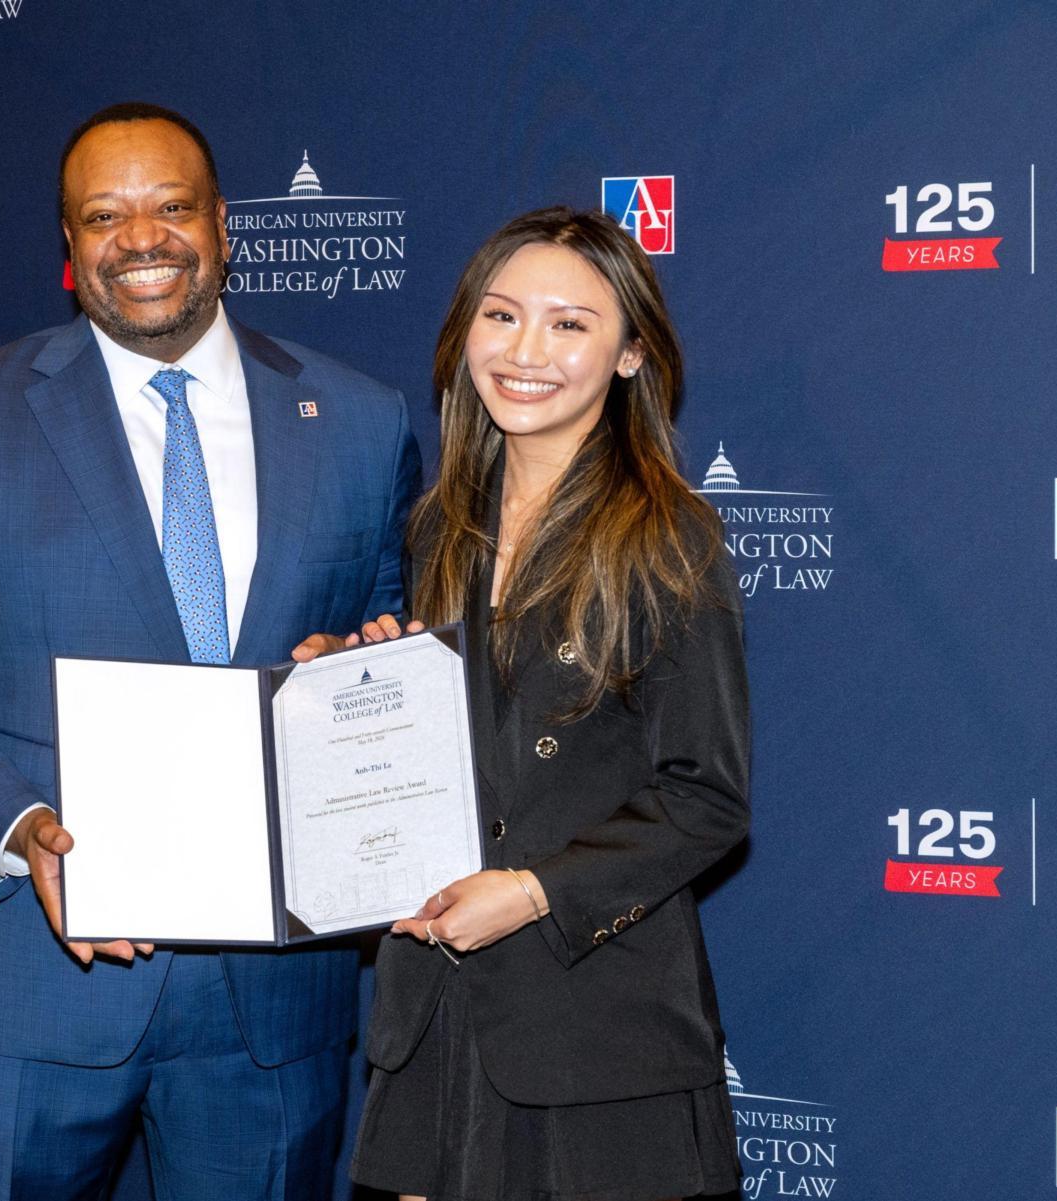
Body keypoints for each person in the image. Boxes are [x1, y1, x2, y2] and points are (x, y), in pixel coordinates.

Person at [0, 102, 420, 1201]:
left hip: (273, 1000)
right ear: (68, 248)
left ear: (226, 225)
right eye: (104, 215)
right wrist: (19, 830)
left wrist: (359, 665)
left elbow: (381, 645)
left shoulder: (358, 419)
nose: (139, 238)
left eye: (170, 207)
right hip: (32, 975)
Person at [296, 207, 750, 1201]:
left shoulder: (669, 539)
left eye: (570, 324)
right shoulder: (435, 531)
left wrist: (537, 889)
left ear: (632, 354)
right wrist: (353, 687)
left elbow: (707, 797)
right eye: (501, 316)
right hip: (432, 1021)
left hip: (594, 1037)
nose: (526, 351)